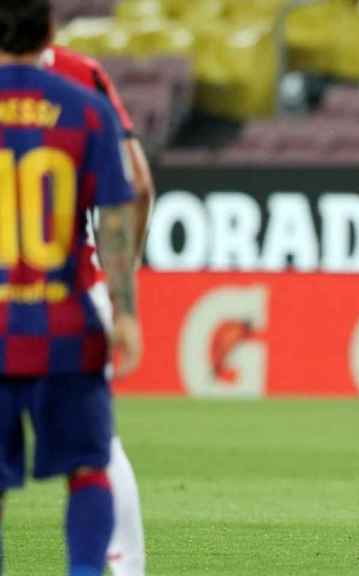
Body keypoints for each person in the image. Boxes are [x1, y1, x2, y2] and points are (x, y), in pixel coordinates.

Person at [0, 1, 142, 575]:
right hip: (66, 321)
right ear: (52, 31)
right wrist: (126, 314)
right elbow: (116, 214)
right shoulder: (85, 108)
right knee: (89, 465)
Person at [42, 43, 154, 576]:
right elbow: (138, 184)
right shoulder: (82, 72)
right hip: (77, 290)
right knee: (96, 445)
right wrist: (121, 287)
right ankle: (126, 569)